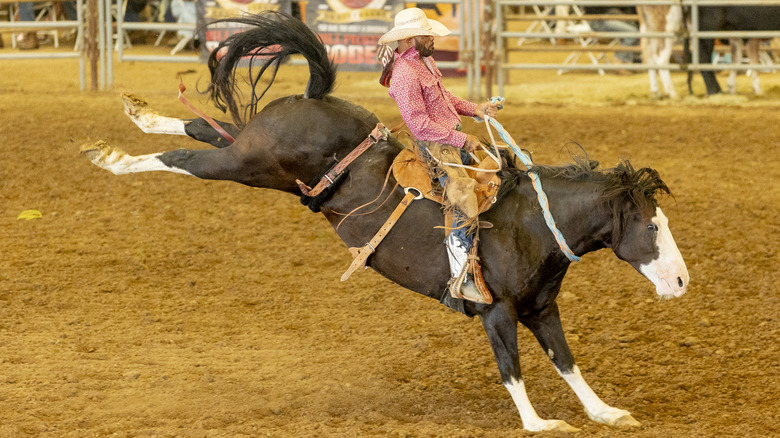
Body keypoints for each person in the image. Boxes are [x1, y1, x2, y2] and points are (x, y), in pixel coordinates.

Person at [377, 7, 499, 304]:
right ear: (408, 39)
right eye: (425, 34)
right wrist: (461, 138)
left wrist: (475, 109)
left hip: (448, 138)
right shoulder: (405, 74)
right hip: (434, 145)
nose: (432, 38)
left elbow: (444, 99)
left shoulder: (424, 62)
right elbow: (418, 125)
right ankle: (462, 277)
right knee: (462, 196)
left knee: (497, 169)